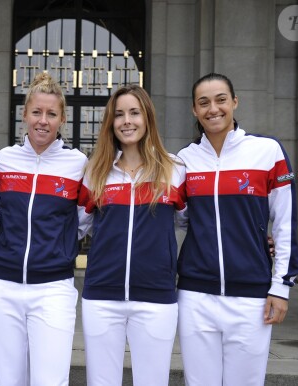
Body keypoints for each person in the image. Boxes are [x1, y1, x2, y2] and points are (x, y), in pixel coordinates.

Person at [176, 73, 298, 386]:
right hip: (195, 295)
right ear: (194, 110)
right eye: (203, 103)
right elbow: (179, 218)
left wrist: (281, 286)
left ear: (234, 102)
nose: (212, 108)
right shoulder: (184, 161)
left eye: (220, 99)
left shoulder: (267, 151)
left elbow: (285, 223)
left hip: (251, 297)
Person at [77, 84, 186, 385]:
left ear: (147, 117)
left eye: (134, 113)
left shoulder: (175, 170)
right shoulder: (95, 172)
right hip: (102, 298)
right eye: (119, 114)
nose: (127, 121)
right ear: (110, 123)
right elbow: (75, 225)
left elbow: (191, 222)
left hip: (156, 299)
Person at [0, 72, 87, 385]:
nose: (43, 121)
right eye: (37, 112)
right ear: (24, 114)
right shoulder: (5, 158)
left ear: (63, 119)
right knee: (8, 380)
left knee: (50, 380)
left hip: (53, 287)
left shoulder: (78, 163)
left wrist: (57, 244)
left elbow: (84, 218)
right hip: (4, 285)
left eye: (51, 114)